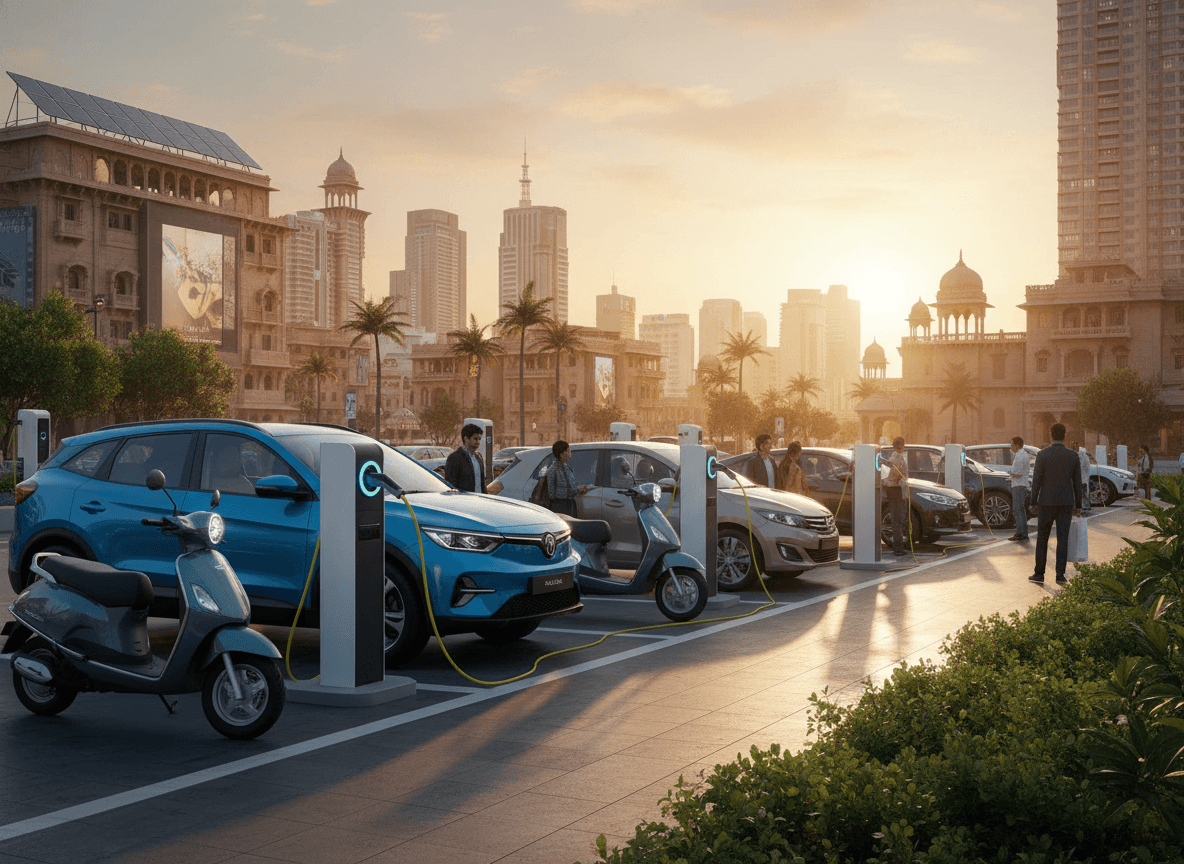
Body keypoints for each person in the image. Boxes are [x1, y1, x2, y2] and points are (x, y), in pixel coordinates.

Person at [1030, 422, 1082, 586]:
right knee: (1062, 538)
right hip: (1066, 502)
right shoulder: (1073, 456)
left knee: (1042, 538)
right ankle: (1060, 575)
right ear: (1064, 435)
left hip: (1046, 502)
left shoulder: (1042, 454)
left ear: (1050, 435)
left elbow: (1036, 480)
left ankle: (1039, 574)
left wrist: (1033, 501)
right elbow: (1077, 482)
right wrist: (1078, 505)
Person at [444, 423, 502, 494]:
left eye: (479, 439)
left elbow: (482, 483)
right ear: (466, 439)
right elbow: (450, 484)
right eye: (475, 438)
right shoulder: (455, 457)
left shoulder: (478, 457)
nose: (478, 442)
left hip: (479, 499)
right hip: (464, 501)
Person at [547, 439, 590, 516]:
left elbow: (570, 486)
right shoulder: (553, 469)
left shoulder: (567, 467)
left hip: (570, 503)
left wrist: (579, 489)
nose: (570, 453)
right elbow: (551, 492)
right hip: (560, 505)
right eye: (567, 451)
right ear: (561, 454)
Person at [883, 436, 909, 556]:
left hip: (898, 491)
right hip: (896, 491)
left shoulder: (896, 457)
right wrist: (900, 478)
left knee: (898, 519)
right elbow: (894, 476)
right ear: (902, 445)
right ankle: (898, 548)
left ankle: (899, 546)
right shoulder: (896, 458)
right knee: (897, 520)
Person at [1007, 436, 1031, 542]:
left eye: (1012, 444)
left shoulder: (1020, 455)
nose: (1011, 446)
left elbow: (1019, 473)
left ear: (1016, 445)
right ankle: (1023, 533)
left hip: (1019, 486)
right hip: (1021, 485)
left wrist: (1011, 474)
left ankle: (1020, 533)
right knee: (1021, 510)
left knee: (1017, 510)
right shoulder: (1023, 454)